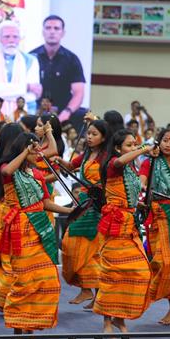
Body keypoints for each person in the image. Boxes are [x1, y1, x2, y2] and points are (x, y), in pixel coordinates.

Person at [0, 133, 71, 339]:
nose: (39, 152)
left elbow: (45, 202)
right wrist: (25, 152)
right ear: (24, 149)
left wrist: (70, 211)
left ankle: (31, 328)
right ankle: (19, 331)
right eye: (35, 149)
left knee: (45, 280)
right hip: (21, 230)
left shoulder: (36, 174)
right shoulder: (7, 169)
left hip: (40, 229)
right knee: (25, 282)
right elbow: (8, 171)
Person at [95, 129, 152, 335]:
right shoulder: (113, 165)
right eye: (129, 145)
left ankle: (120, 317)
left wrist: (138, 205)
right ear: (118, 148)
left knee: (139, 272)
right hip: (114, 226)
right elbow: (118, 163)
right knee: (113, 274)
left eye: (135, 144)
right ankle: (107, 321)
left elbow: (133, 191)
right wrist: (143, 149)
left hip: (130, 226)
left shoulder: (132, 169)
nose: (134, 147)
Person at [55, 118, 108, 308]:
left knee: (90, 249)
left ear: (103, 137)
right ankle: (89, 290)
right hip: (84, 204)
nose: (89, 137)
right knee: (72, 245)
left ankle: (92, 292)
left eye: (94, 134)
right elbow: (70, 166)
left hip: (97, 206)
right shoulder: (86, 154)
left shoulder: (107, 157)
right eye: (89, 133)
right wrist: (60, 161)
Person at [138, 128, 170, 325]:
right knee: (160, 262)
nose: (168, 144)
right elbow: (142, 181)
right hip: (156, 217)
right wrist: (142, 187)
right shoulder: (149, 163)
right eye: (165, 140)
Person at [0, 122, 24, 311]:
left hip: (0, 210)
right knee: (8, 258)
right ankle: (1, 297)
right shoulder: (9, 164)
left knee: (2, 255)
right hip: (10, 213)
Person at [0, 21, 42, 120]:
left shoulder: (31, 60)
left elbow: (31, 96)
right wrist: (27, 87)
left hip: (24, 117)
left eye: (15, 37)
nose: (11, 40)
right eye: (7, 37)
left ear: (19, 39)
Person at [30, 16, 87, 125]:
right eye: (48, 28)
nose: (52, 32)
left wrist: (67, 112)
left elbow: (79, 92)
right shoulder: (31, 57)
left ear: (63, 33)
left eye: (56, 28)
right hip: (35, 111)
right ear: (43, 32)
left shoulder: (72, 59)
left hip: (64, 113)